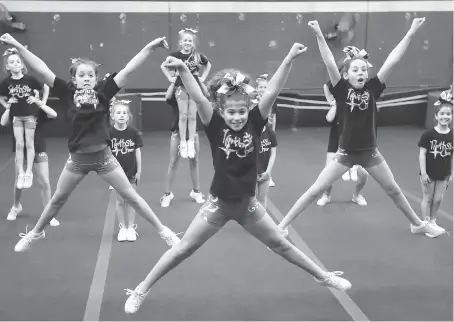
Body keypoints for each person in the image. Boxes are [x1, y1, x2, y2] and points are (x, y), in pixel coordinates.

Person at [124, 43, 352, 315]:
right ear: (221, 110)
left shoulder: (256, 122)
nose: (237, 117)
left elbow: (273, 90)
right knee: (183, 249)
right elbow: (198, 98)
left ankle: (322, 275)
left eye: (241, 111)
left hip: (248, 206)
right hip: (218, 205)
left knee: (281, 243)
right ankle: (141, 288)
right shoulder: (214, 124)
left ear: (249, 109)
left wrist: (289, 57)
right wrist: (184, 69)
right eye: (231, 112)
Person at [0, 33, 182, 253]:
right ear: (74, 78)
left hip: (104, 158)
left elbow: (129, 70)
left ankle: (164, 231)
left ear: (96, 79)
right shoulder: (66, 92)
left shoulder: (103, 92)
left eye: (90, 75)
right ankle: (35, 233)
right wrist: (17, 46)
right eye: (81, 75)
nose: (86, 78)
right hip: (77, 161)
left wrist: (150, 48)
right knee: (57, 200)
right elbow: (40, 68)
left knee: (131, 196)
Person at [278, 18, 445, 238]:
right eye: (356, 69)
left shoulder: (373, 88)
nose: (361, 73)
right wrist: (319, 34)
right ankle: (282, 225)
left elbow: (392, 60)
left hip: (370, 153)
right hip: (345, 154)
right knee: (316, 189)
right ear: (346, 74)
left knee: (393, 189)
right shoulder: (340, 89)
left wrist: (411, 32)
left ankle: (417, 224)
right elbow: (329, 62)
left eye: (364, 70)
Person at [418, 89, 452, 238]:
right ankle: (426, 224)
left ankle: (432, 220)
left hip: (443, 172)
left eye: (448, 114)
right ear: (436, 116)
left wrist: (451, 173)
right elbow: (422, 154)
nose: (445, 117)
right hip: (429, 172)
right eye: (442, 114)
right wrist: (423, 173)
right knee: (428, 198)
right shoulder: (429, 134)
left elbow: (452, 155)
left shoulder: (451, 135)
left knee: (438, 199)